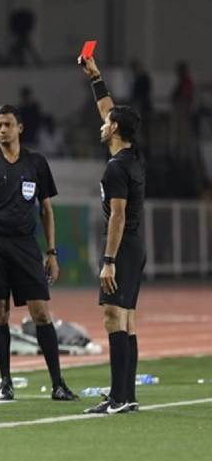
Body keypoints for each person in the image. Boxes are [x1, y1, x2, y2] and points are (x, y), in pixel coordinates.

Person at [0, 105, 78, 401]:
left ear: (20, 128)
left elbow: (47, 210)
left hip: (26, 244)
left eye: (7, 125)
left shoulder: (36, 163)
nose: (1, 130)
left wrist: (51, 252)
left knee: (41, 312)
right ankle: (6, 382)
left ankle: (58, 384)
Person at [78, 55, 146, 415]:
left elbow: (116, 216)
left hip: (122, 248)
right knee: (128, 319)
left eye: (108, 123)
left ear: (116, 129)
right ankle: (127, 394)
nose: (103, 124)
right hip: (137, 247)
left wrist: (107, 261)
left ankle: (118, 397)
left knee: (112, 318)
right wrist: (96, 78)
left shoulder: (115, 168)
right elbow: (108, 108)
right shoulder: (133, 155)